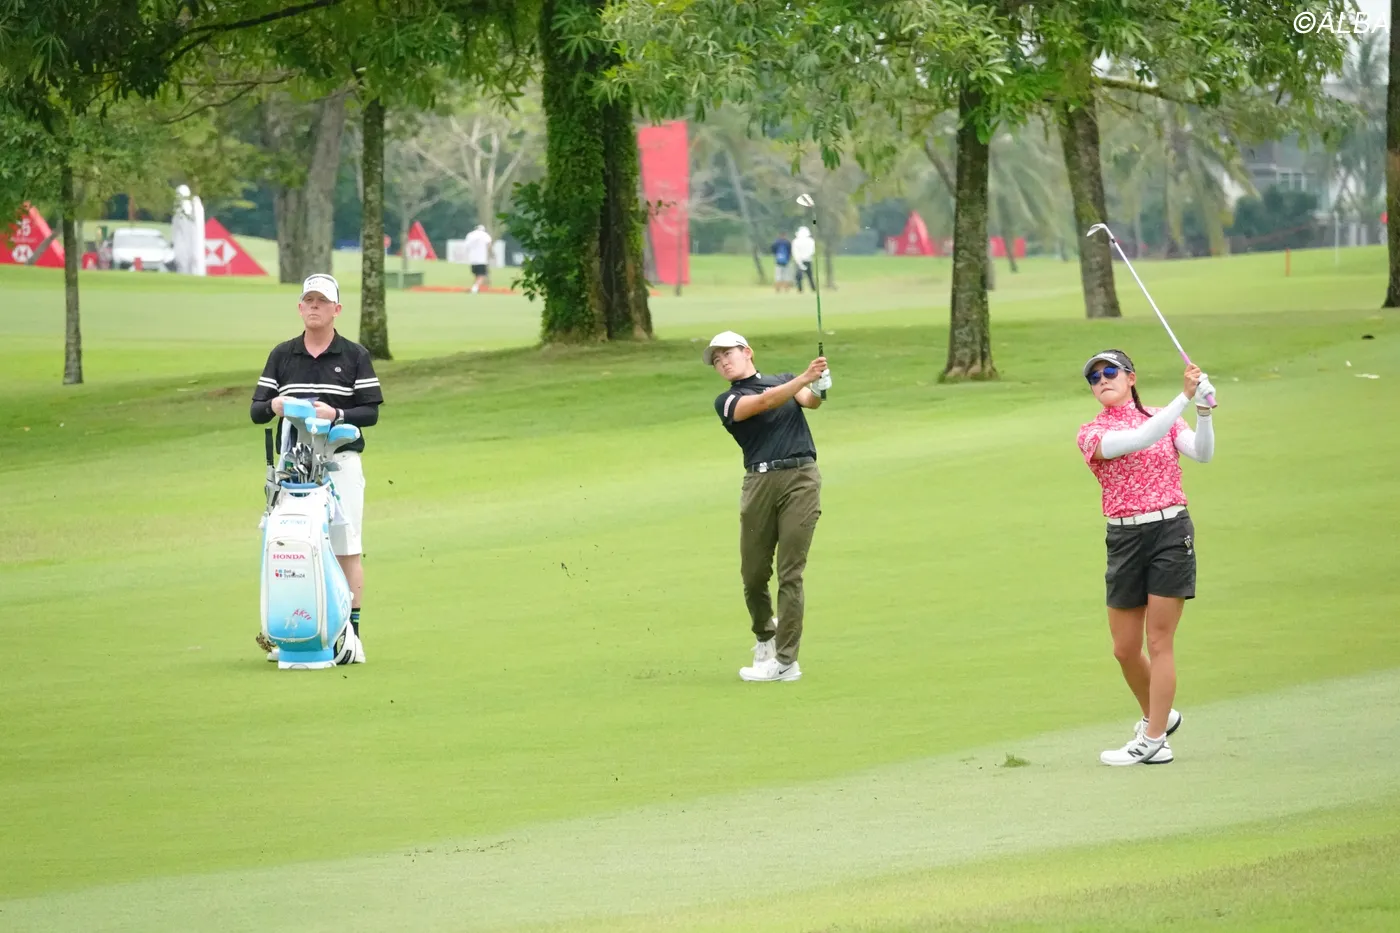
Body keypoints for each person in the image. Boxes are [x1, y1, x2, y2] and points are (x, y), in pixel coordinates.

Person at [1076, 349, 1216, 766]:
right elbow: (1139, 438)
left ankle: (1154, 738)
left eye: (1110, 371)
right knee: (1124, 649)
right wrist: (1184, 397)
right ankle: (1162, 716)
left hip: (1170, 532)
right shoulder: (1092, 433)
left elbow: (1202, 453)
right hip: (1124, 538)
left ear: (1131, 378)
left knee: (1158, 640)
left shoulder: (1163, 416)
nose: (1103, 379)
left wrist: (1203, 412)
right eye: (1094, 377)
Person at [251, 273, 384, 662]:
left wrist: (336, 413)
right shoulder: (283, 354)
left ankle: (349, 637)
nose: (314, 306)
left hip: (340, 462)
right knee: (291, 544)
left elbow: (370, 412)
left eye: (322, 301)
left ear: (336, 309)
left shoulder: (354, 355)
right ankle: (292, 633)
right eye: (308, 300)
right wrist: (274, 405)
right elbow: (257, 411)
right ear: (299, 307)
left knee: (346, 548)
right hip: (292, 466)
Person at [707, 331, 831, 682]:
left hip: (801, 479)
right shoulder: (728, 400)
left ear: (747, 352)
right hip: (758, 483)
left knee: (790, 572)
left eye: (727, 354)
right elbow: (763, 403)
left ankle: (786, 661)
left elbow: (810, 401)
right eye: (716, 360)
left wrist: (820, 386)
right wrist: (805, 378)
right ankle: (765, 637)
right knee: (754, 574)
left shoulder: (784, 380)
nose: (723, 362)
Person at [465, 224, 493, 293]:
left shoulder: (470, 235)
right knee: (482, 275)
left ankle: (475, 288)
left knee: (476, 274)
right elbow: (489, 244)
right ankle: (474, 288)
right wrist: (490, 253)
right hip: (481, 259)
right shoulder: (485, 235)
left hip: (473, 258)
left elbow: (467, 246)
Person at [791, 226, 817, 293]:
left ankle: (800, 289)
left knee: (799, 276)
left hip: (800, 260)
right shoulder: (811, 241)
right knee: (809, 276)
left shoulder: (796, 241)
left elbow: (795, 252)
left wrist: (798, 260)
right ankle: (813, 288)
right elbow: (812, 251)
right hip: (807, 260)